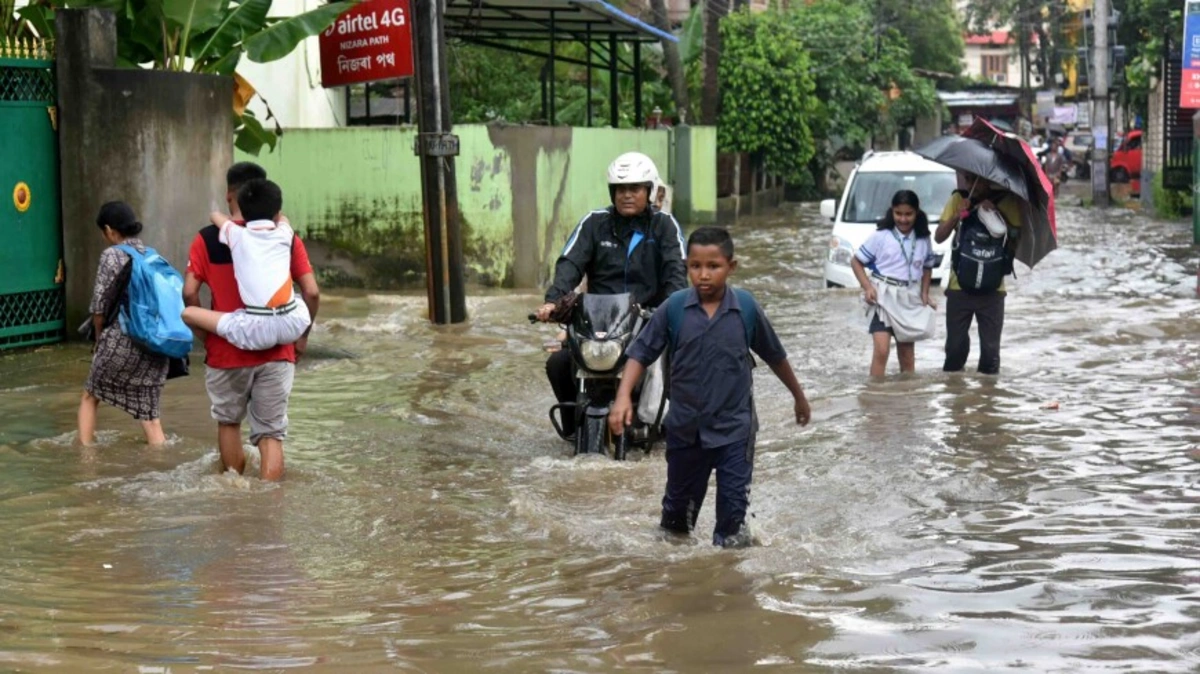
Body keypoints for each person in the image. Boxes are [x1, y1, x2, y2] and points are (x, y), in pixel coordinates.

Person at [608, 226, 811, 548]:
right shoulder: (674, 309)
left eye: (713, 267)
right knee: (676, 524)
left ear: (731, 267)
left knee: (731, 527)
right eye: (695, 266)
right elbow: (640, 354)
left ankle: (729, 588)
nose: (703, 275)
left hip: (735, 431)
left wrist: (799, 398)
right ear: (687, 265)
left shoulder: (745, 308)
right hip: (686, 432)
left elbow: (775, 355)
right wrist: (622, 398)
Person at [535, 151, 687, 439]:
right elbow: (570, 263)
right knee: (558, 363)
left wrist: (673, 309)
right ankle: (573, 429)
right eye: (620, 189)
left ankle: (658, 424)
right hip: (598, 324)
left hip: (647, 324)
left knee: (678, 362)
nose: (626, 195)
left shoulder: (665, 226)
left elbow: (675, 273)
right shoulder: (594, 223)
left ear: (649, 191)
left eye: (634, 189)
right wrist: (553, 301)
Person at [183, 162, 320, 481]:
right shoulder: (285, 237)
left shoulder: (207, 238)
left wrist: (208, 336)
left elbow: (190, 291)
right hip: (278, 350)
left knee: (229, 422)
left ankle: (234, 496)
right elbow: (311, 292)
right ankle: (269, 503)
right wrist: (302, 336)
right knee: (271, 433)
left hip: (227, 349)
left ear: (231, 193)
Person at [181, 179, 311, 352]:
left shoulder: (237, 235)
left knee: (188, 314)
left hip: (254, 332)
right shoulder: (285, 234)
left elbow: (215, 216)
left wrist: (227, 220)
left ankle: (212, 342)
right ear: (276, 214)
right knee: (296, 297)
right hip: (293, 324)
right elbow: (312, 293)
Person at [78, 201, 168, 446]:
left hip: (121, 344)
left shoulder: (111, 255)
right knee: (151, 419)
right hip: (155, 349)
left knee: (90, 396)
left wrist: (99, 340)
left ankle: (85, 459)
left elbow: (98, 308)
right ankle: (161, 464)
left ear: (109, 230)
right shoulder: (152, 255)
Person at [934, 173, 1023, 375]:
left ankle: (988, 402)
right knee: (954, 352)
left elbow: (1016, 239)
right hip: (959, 288)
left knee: (991, 355)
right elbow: (939, 237)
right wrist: (958, 214)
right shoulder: (957, 198)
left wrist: (998, 215)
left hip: (993, 290)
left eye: (979, 179)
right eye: (969, 179)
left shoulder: (1007, 201)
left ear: (991, 179)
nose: (973, 183)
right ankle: (956, 398)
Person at [850, 190, 938, 377]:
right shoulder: (881, 236)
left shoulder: (923, 237)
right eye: (898, 214)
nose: (903, 219)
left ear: (917, 213)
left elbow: (928, 267)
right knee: (881, 351)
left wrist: (924, 293)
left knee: (907, 354)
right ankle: (875, 395)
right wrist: (867, 287)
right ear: (892, 211)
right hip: (881, 296)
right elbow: (856, 261)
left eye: (908, 214)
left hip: (908, 298)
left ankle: (906, 396)